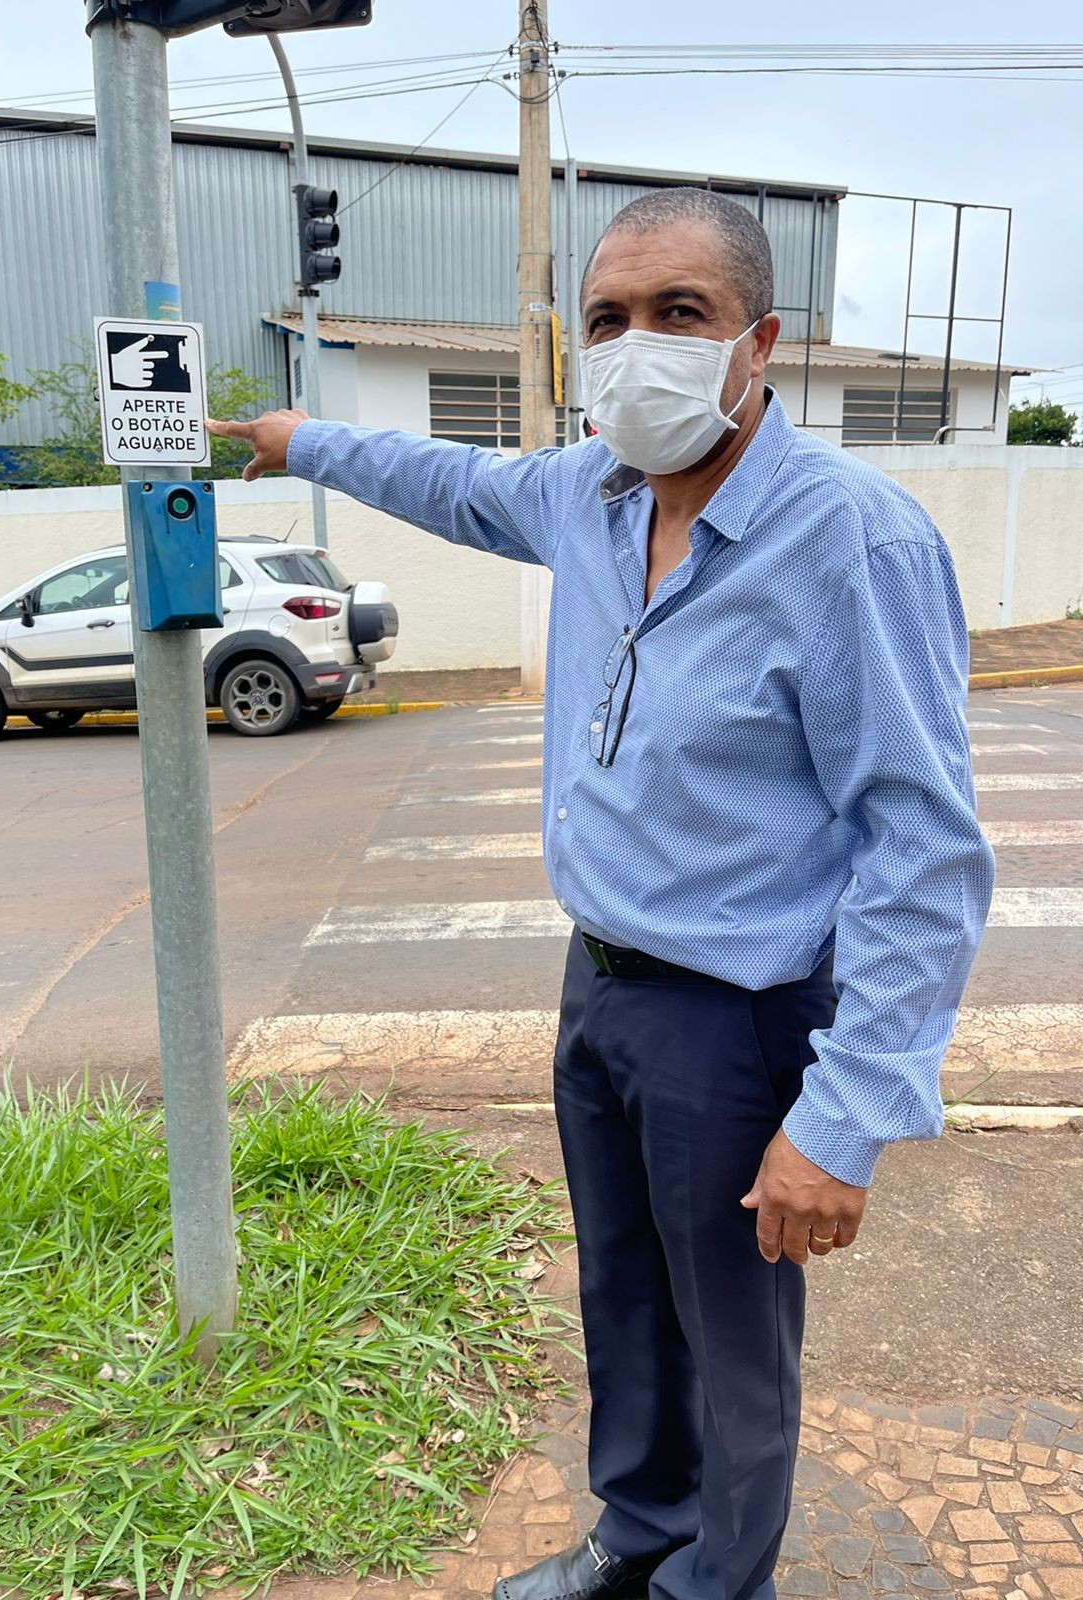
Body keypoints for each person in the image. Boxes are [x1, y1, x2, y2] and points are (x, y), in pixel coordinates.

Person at [206, 187, 994, 1600]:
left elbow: (921, 847)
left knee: (731, 1344)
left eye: (678, 314)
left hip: (742, 1023)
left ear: (760, 342)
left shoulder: (851, 541)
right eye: (608, 320)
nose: (638, 346)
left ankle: (716, 1583)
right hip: (603, 988)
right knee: (625, 1303)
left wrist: (847, 1116)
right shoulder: (590, 495)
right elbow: (443, 481)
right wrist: (297, 438)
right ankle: (637, 1539)